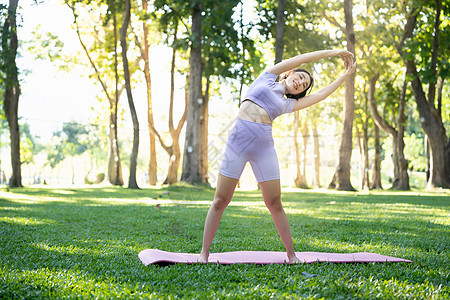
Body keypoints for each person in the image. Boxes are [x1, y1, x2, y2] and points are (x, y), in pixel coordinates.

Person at [198, 49, 357, 263]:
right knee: (220, 200)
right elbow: (303, 58)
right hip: (237, 142)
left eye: (303, 85)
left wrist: (345, 76)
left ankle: (291, 256)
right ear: (289, 73)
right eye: (300, 77)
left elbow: (320, 95)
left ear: (299, 93)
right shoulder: (267, 76)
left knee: (274, 202)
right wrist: (335, 52)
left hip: (264, 147)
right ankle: (203, 254)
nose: (300, 83)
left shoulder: (287, 103)